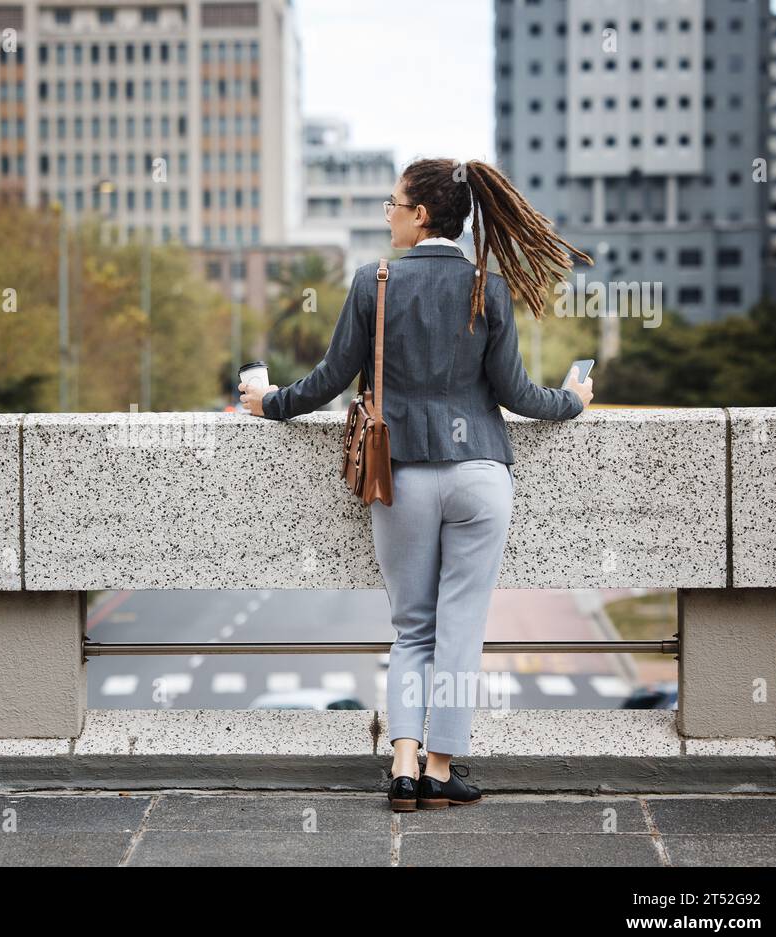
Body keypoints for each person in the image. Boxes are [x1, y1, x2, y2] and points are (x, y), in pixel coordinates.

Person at [240, 157, 595, 812]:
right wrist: (573, 399)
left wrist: (266, 400)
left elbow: (326, 382)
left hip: (402, 472)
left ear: (420, 214)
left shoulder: (373, 281)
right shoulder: (486, 287)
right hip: (482, 475)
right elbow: (517, 394)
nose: (389, 214)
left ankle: (402, 764)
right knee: (461, 626)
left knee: (412, 629)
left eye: (392, 203)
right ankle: (439, 767)